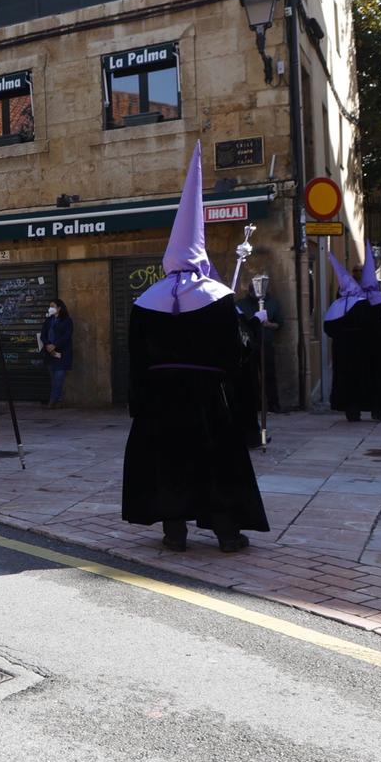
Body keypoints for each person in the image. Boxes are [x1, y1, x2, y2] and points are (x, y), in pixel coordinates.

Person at [120, 144, 265, 554]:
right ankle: (226, 533)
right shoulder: (218, 298)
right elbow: (235, 353)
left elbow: (136, 358)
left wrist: (138, 402)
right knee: (214, 464)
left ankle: (174, 532)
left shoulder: (145, 300)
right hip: (206, 401)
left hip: (159, 401)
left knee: (168, 464)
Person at [322, 250, 381, 422]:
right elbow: (373, 326)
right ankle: (374, 410)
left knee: (350, 381)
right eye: (356, 272)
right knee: (371, 381)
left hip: (346, 353)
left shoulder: (337, 306)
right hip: (369, 351)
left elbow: (329, 328)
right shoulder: (363, 306)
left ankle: (352, 410)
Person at [246, 280, 284, 413]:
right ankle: (254, 405)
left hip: (266, 344)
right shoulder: (241, 304)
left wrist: (268, 324)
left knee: (269, 375)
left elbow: (279, 324)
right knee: (250, 377)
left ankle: (273, 405)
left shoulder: (272, 303)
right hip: (248, 347)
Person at [38, 297, 74, 408]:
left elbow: (67, 336)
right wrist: (48, 345)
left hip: (62, 354)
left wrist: (55, 345)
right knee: (53, 378)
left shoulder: (67, 321)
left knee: (59, 377)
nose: (50, 308)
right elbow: (43, 334)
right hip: (50, 354)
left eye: (53, 306)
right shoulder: (49, 320)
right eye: (50, 306)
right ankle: (58, 400)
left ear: (59, 308)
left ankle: (52, 400)